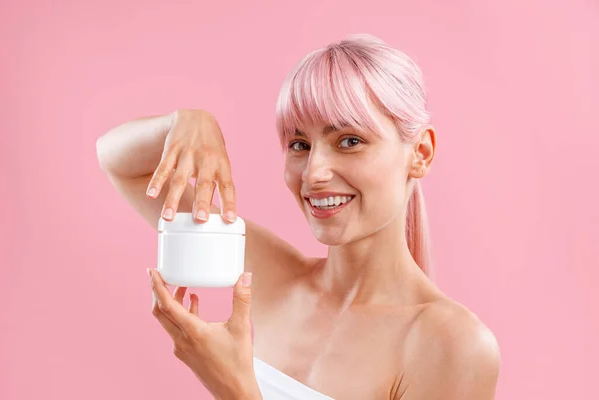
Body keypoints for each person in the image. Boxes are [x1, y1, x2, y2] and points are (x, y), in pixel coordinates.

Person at [96, 34, 501, 399]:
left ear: (421, 154)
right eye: (299, 144)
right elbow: (119, 162)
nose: (314, 173)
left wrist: (234, 390)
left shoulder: (452, 346)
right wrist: (185, 123)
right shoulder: (275, 280)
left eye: (349, 140)